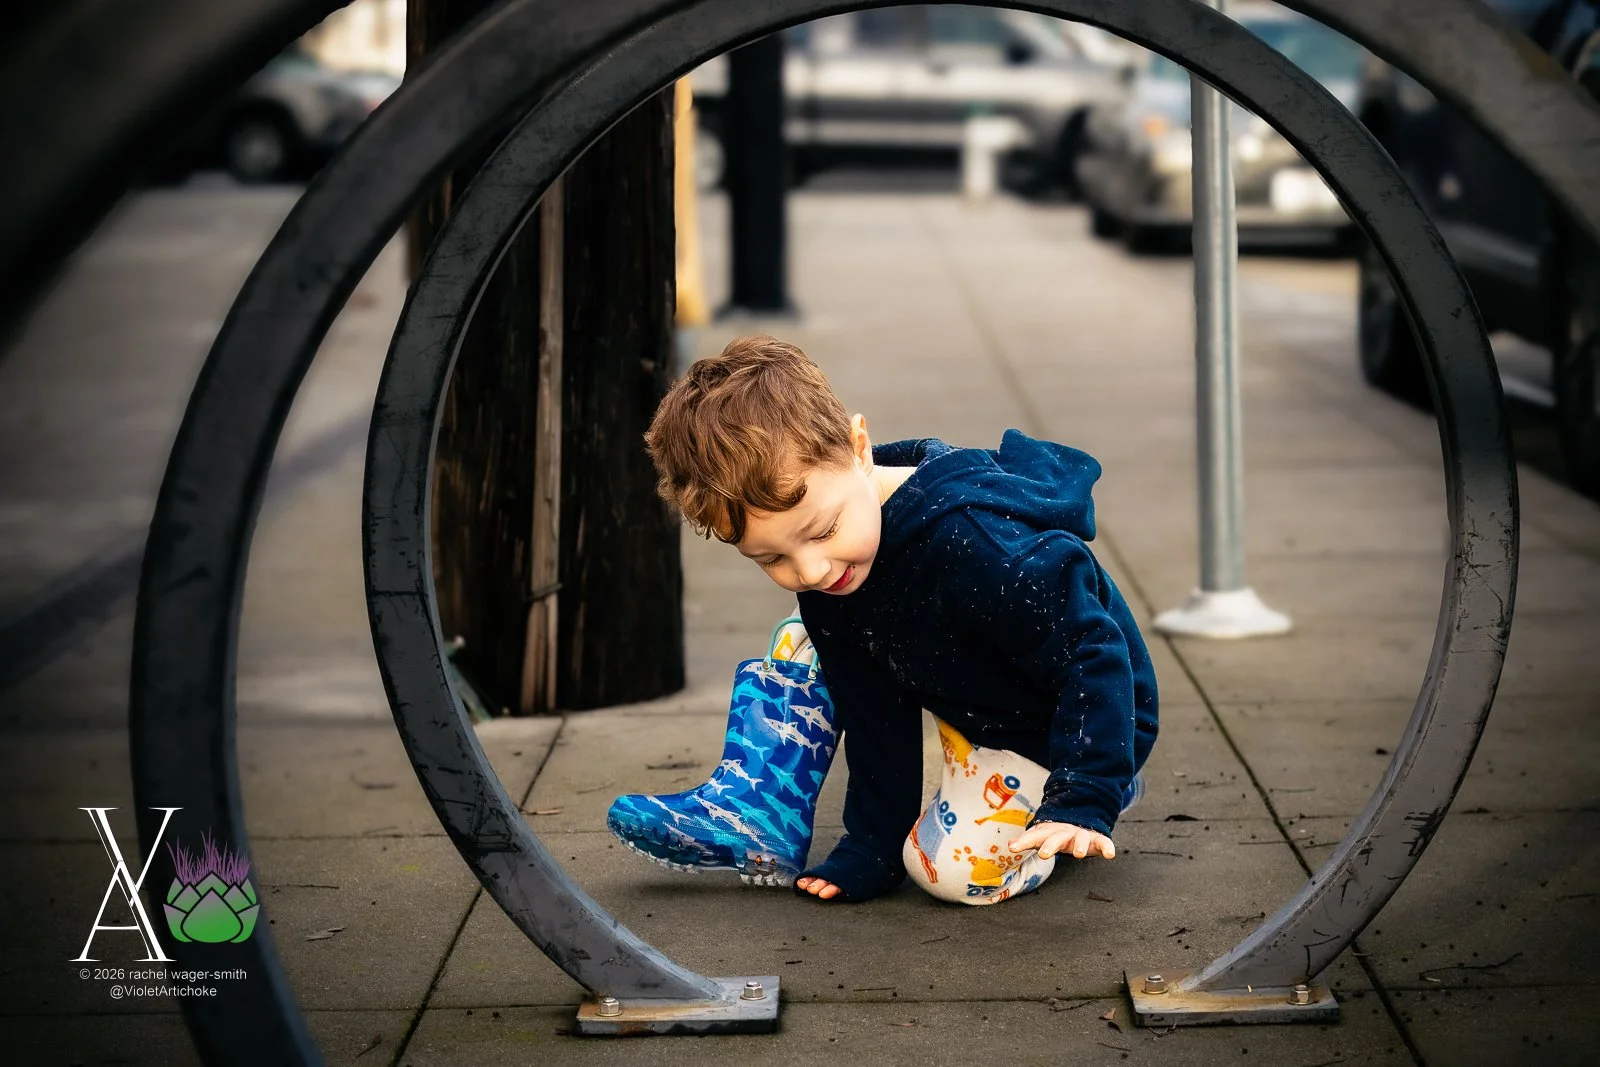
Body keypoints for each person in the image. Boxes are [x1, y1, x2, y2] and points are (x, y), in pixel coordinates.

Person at [635, 334, 1159, 904]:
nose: (810, 569)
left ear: (859, 449)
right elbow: (872, 714)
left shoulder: (979, 549)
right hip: (965, 691)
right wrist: (871, 847)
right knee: (802, 635)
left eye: (823, 530)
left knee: (946, 874)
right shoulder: (835, 569)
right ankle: (758, 803)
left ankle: (1106, 787)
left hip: (1066, 722)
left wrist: (1085, 790)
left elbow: (1093, 654)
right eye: (771, 558)